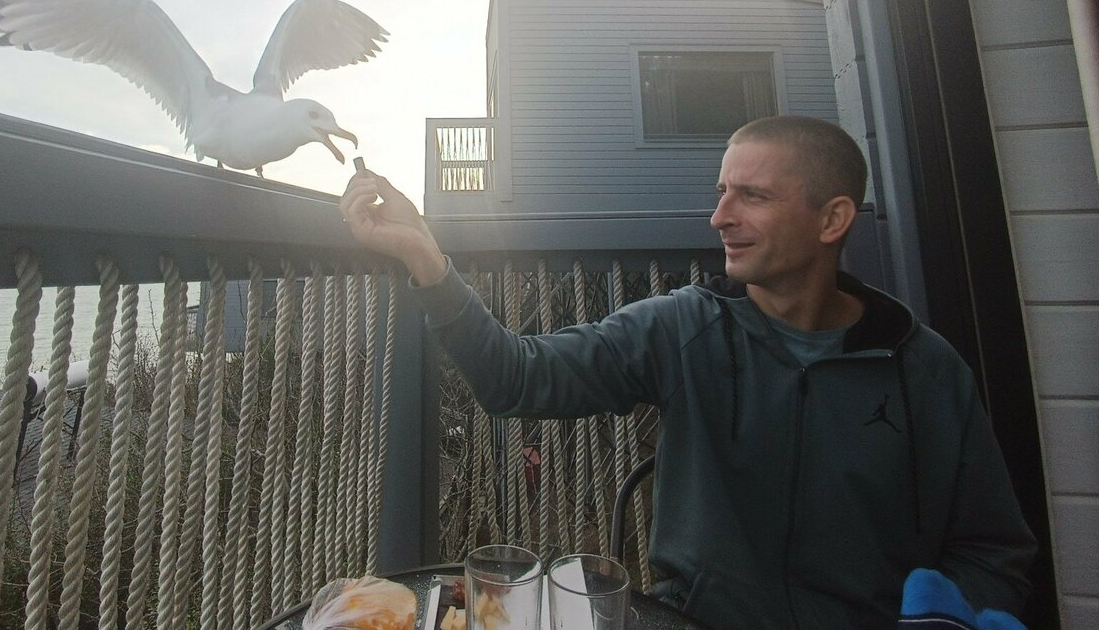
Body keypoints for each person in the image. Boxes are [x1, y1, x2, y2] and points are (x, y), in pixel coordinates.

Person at [340, 115, 1036, 630]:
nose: (719, 217)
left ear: (832, 220)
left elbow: (992, 550)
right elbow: (514, 379)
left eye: (752, 196)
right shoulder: (683, 328)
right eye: (722, 191)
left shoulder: (923, 368)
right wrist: (424, 255)